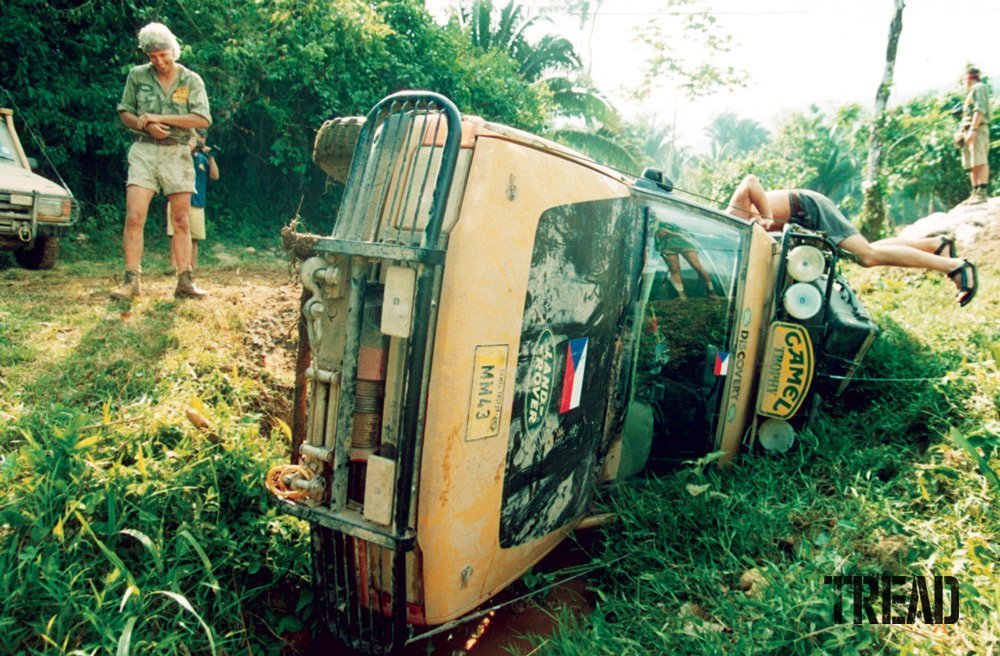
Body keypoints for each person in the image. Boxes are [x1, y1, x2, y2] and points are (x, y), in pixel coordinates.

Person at [726, 174, 978, 306]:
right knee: (864, 250)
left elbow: (750, 182)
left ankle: (955, 266)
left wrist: (767, 216)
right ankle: (936, 246)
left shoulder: (726, 221)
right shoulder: (727, 245)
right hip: (805, 216)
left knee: (867, 256)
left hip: (807, 208)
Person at [112, 22, 211, 300]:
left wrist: (160, 118)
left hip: (177, 152)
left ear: (173, 49)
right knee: (134, 216)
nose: (159, 60)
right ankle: (131, 281)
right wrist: (145, 126)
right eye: (152, 56)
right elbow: (125, 112)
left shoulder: (191, 80)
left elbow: (202, 119)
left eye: (163, 54)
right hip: (144, 151)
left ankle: (185, 281)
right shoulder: (137, 76)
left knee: (181, 219)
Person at [167, 130, 219, 269]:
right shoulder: (180, 153)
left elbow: (215, 176)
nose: (199, 143)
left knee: (194, 238)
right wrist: (189, 149)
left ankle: (192, 266)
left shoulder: (203, 159)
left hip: (197, 202)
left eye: (202, 141)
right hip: (178, 199)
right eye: (196, 140)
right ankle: (174, 266)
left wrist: (211, 157)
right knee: (175, 234)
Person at [956, 65, 991, 205]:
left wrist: (973, 129)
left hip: (977, 129)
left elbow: (979, 110)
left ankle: (982, 192)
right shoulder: (970, 93)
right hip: (968, 129)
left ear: (970, 78)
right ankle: (975, 191)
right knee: (972, 163)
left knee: (979, 160)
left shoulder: (978, 88)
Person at [655, 225, 718, 299]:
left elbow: (688, 234)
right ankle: (682, 295)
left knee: (696, 265)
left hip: (684, 243)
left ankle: (711, 291)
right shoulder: (656, 223)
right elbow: (659, 235)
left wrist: (674, 233)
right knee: (674, 269)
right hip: (668, 245)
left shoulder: (677, 223)